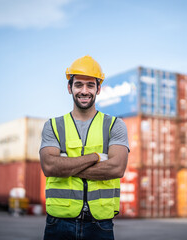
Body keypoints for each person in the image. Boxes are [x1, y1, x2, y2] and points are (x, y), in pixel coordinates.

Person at [40, 55, 129, 240]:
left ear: (98, 89)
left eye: (90, 85)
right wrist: (95, 157)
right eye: (79, 84)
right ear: (69, 88)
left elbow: (117, 168)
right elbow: (49, 167)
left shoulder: (114, 125)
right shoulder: (53, 126)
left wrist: (65, 165)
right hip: (59, 223)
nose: (84, 91)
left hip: (100, 224)